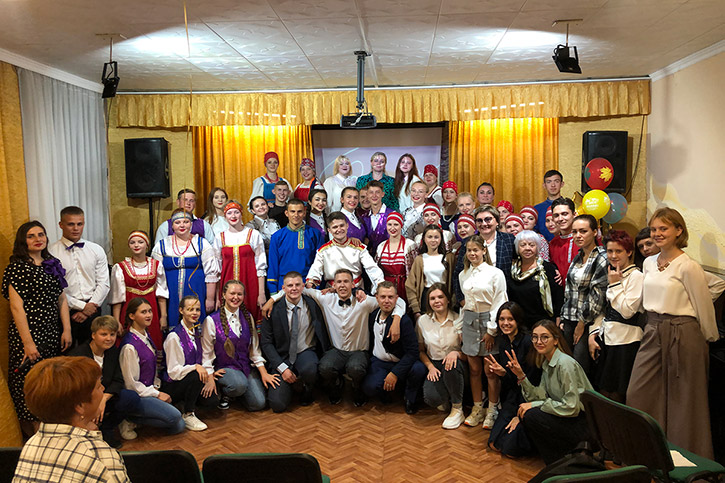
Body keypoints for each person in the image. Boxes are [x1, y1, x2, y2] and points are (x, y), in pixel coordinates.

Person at [627, 208, 717, 458]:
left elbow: (703, 307)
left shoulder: (688, 267)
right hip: (653, 330)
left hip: (683, 333)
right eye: (654, 229)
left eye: (663, 229)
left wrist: (707, 339)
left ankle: (686, 459)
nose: (657, 234)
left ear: (679, 231)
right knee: (638, 392)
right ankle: (648, 453)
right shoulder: (648, 263)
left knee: (683, 402)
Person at [266, 269, 405, 407]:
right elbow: (296, 290)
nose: (342, 285)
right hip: (336, 350)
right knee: (325, 367)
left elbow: (399, 301)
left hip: (358, 351)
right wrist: (272, 299)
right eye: (339, 282)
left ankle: (356, 388)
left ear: (353, 284)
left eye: (346, 281)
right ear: (333, 285)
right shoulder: (325, 299)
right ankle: (336, 386)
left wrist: (397, 318)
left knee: (356, 368)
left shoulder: (364, 301)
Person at [13, 356, 130, 482]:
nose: (103, 388)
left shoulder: (31, 445)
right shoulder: (100, 456)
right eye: (98, 386)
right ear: (80, 406)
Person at [4, 221, 72, 434]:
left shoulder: (52, 263)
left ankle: (50, 430)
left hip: (52, 332)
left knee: (49, 382)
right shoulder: (17, 268)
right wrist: (28, 343)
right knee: (29, 384)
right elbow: (16, 307)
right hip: (28, 334)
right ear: (23, 241)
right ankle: (36, 436)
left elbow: (62, 298)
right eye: (31, 236)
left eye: (41, 234)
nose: (37, 239)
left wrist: (67, 329)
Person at [507, 319, 593, 465]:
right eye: (535, 337)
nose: (538, 341)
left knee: (531, 415)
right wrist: (521, 376)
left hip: (584, 424)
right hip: (568, 419)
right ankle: (559, 461)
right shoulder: (547, 363)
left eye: (544, 337)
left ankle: (560, 463)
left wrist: (535, 405)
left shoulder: (564, 363)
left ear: (556, 340)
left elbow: (571, 407)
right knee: (526, 417)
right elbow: (539, 397)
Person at [260, 272, 331, 412]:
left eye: (297, 285)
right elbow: (266, 343)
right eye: (290, 285)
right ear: (283, 288)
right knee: (277, 405)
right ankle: (290, 387)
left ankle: (307, 388)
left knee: (310, 369)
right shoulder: (272, 309)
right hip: (282, 356)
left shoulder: (312, 304)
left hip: (305, 352)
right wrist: (282, 369)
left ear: (303, 286)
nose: (294, 288)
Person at [587, 230, 643, 403]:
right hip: (608, 337)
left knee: (617, 393)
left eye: (618, 251)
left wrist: (615, 285)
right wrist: (593, 332)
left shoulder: (636, 276)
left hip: (626, 341)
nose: (613, 255)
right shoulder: (612, 272)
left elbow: (627, 312)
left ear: (629, 252)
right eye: (610, 251)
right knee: (603, 390)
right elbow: (605, 309)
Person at [202, 281, 276, 411]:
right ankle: (226, 391)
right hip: (224, 368)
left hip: (245, 367)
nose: (235, 297)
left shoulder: (248, 317)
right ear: (224, 295)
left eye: (239, 294)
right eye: (232, 293)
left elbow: (254, 350)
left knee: (258, 403)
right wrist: (210, 376)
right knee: (238, 384)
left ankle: (239, 394)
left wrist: (264, 373)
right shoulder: (211, 320)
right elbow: (206, 354)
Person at [458, 235, 507, 429]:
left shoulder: (495, 273)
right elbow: (465, 303)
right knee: (474, 370)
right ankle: (477, 407)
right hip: (470, 322)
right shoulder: (464, 274)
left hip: (488, 321)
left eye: (476, 250)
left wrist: (492, 330)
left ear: (483, 251)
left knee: (490, 371)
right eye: (469, 250)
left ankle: (492, 409)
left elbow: (500, 301)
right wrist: (460, 326)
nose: (472, 254)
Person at [70, 316, 141, 448]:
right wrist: (93, 405)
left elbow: (118, 380)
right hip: (83, 402)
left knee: (131, 398)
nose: (109, 338)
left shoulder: (113, 352)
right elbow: (75, 389)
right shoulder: (78, 355)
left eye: (112, 334)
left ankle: (107, 428)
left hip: (104, 397)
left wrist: (103, 399)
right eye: (104, 334)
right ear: (93, 335)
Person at [119, 297, 185, 435]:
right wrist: (157, 394)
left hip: (150, 389)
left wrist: (156, 387)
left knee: (179, 425)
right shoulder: (129, 346)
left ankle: (145, 417)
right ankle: (129, 418)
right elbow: (131, 384)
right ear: (132, 316)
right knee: (175, 419)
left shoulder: (145, 335)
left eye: (150, 311)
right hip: (139, 395)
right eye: (143, 312)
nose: (148, 315)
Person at [48, 206, 109, 346]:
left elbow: (104, 283)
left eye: (79, 224)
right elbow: (55, 288)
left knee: (92, 352)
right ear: (61, 225)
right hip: (65, 310)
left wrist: (88, 309)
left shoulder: (96, 249)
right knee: (66, 353)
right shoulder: (51, 253)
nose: (76, 228)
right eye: (71, 224)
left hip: (93, 308)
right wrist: (82, 306)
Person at [362, 282, 426, 414]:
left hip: (400, 361)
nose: (386, 301)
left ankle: (410, 398)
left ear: (397, 299)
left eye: (390, 297)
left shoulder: (404, 321)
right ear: (377, 298)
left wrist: (395, 373)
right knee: (369, 387)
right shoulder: (372, 316)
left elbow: (413, 352)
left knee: (418, 369)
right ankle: (384, 392)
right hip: (379, 362)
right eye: (383, 297)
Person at [486, 302, 540, 457]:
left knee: (510, 450)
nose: (505, 323)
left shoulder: (528, 342)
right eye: (502, 319)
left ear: (518, 321)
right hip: (513, 396)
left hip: (530, 398)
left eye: (510, 319)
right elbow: (511, 382)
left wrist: (519, 415)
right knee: (494, 444)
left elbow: (533, 381)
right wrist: (503, 373)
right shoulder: (503, 341)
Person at [151, 208, 220, 329]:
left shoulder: (201, 243)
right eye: (177, 222)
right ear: (172, 226)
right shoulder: (162, 245)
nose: (182, 225)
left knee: (197, 328)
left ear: (191, 224)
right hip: (170, 297)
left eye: (186, 222)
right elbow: (156, 276)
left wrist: (210, 299)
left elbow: (211, 273)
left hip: (197, 293)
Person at [560, 214, 608, 374]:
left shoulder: (602, 257)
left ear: (594, 232)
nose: (578, 235)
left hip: (588, 321)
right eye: (574, 232)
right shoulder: (578, 257)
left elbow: (597, 296)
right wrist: (563, 317)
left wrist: (581, 323)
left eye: (583, 231)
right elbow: (569, 290)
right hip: (569, 318)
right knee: (567, 366)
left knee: (580, 367)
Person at [161, 296, 218, 431]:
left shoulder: (196, 331)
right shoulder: (174, 337)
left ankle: (184, 402)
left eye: (197, 310)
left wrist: (209, 375)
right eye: (190, 309)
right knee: (196, 375)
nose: (195, 313)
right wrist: (196, 367)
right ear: (181, 310)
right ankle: (188, 413)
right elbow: (173, 372)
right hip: (173, 383)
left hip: (191, 379)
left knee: (212, 401)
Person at [417, 284, 467, 429]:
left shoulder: (459, 319)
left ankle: (457, 408)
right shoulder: (422, 321)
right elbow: (421, 351)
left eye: (440, 297)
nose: (437, 301)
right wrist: (430, 367)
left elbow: (470, 353)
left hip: (458, 364)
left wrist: (456, 353)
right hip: (435, 364)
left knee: (451, 364)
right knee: (432, 399)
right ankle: (447, 396)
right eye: (432, 298)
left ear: (448, 300)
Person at [110, 231, 168, 348]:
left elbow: (162, 293)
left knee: (153, 339)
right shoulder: (120, 267)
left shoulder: (157, 265)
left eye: (140, 242)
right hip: (130, 309)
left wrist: (163, 316)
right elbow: (117, 297)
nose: (136, 245)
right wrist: (116, 320)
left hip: (151, 309)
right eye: (132, 242)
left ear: (147, 245)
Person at [305, 212, 385, 292]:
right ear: (329, 230)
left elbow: (371, 267)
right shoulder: (323, 250)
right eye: (335, 227)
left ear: (347, 226)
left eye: (342, 225)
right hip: (333, 291)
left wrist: (380, 282)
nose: (339, 229)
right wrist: (311, 282)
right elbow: (315, 269)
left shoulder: (358, 247)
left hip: (356, 290)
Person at [214, 200, 267, 322]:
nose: (233, 216)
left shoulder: (253, 234)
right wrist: (217, 297)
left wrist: (261, 293)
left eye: (236, 212)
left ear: (241, 214)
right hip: (227, 285)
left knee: (251, 318)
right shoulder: (220, 237)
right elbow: (217, 270)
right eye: (229, 213)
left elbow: (260, 266)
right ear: (225, 216)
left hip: (250, 284)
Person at [267, 198, 325, 295]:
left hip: (308, 285)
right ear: (286, 213)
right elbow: (273, 265)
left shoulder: (315, 234)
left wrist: (316, 285)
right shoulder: (277, 236)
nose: (296, 215)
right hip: (284, 286)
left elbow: (320, 263)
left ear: (304, 213)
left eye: (299, 212)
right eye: (292, 211)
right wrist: (273, 290)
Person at [508, 230, 563, 331]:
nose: (527, 248)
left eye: (531, 245)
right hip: (518, 322)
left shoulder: (547, 268)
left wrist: (558, 316)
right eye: (523, 245)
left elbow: (558, 295)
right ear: (517, 248)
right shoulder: (511, 269)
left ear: (537, 248)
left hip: (543, 321)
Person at [406, 225, 456, 320]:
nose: (433, 240)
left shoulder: (449, 258)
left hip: (445, 296)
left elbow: (455, 282)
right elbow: (410, 285)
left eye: (436, 237)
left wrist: (453, 302)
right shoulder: (420, 259)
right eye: (430, 237)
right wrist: (416, 309)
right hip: (426, 298)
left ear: (441, 239)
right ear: (424, 239)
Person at [375, 211, 416, 303]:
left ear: (401, 226)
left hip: (404, 287)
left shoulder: (410, 245)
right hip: (386, 288)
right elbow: (376, 270)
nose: (392, 228)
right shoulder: (381, 246)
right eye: (389, 224)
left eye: (396, 224)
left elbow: (415, 271)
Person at [361, 180, 395, 255]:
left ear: (382, 194)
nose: (374, 195)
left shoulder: (392, 214)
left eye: (377, 192)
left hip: (389, 256)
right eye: (371, 192)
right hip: (369, 257)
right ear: (367, 195)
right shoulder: (364, 217)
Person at [549, 197, 577, 281]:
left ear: (574, 215)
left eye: (564, 214)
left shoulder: (583, 239)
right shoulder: (553, 243)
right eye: (556, 215)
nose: (560, 219)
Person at [534, 170, 565, 241]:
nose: (553, 185)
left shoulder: (568, 206)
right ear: (544, 185)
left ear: (562, 184)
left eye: (556, 181)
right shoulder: (537, 209)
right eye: (549, 182)